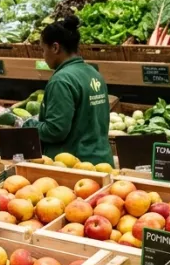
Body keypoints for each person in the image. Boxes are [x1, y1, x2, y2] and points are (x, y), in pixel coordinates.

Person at [25, 15, 113, 165]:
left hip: (75, 166)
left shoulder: (61, 80)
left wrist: (28, 125)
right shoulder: (94, 73)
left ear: (55, 47)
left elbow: (55, 130)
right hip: (101, 163)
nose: (43, 56)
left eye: (43, 49)